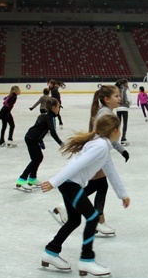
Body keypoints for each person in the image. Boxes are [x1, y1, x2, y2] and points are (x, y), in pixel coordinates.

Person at [40, 114, 130, 277]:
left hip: (70, 184)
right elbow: (77, 164)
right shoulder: (100, 145)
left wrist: (122, 194)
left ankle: (50, 251)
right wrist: (55, 181)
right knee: (93, 217)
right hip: (69, 185)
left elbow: (111, 171)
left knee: (74, 220)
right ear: (115, 130)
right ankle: (86, 260)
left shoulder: (101, 145)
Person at [48, 85, 129, 236]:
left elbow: (108, 137)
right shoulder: (105, 114)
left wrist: (120, 150)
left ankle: (68, 206)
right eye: (117, 96)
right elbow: (104, 136)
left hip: (98, 154)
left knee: (99, 184)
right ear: (107, 99)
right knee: (101, 185)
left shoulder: (106, 112)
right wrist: (55, 181)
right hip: (96, 155)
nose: (120, 98)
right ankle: (98, 220)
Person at [16, 98, 64, 191]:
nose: (59, 109)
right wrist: (61, 143)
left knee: (39, 158)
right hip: (31, 139)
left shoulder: (45, 115)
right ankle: (21, 179)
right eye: (58, 107)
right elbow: (53, 132)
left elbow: (39, 128)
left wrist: (40, 141)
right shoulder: (50, 117)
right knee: (35, 160)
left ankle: (32, 178)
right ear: (53, 108)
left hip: (33, 139)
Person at [115, 79, 131, 145]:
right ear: (125, 83)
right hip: (124, 108)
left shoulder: (117, 89)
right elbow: (129, 99)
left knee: (118, 124)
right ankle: (123, 138)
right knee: (125, 124)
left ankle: (115, 138)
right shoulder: (126, 89)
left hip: (118, 108)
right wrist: (128, 105)